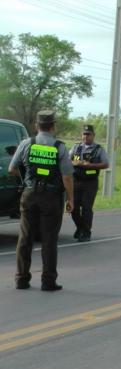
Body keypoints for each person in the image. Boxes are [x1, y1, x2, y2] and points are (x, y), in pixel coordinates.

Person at [8, 110, 74, 291]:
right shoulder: (59, 147)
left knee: (25, 238)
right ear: (53, 126)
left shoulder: (26, 143)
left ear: (37, 126)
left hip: (29, 195)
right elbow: (67, 177)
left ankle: (21, 280)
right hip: (51, 198)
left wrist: (27, 179)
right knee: (49, 240)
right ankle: (48, 282)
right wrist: (71, 199)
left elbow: (11, 168)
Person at [69, 125, 109, 242]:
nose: (86, 136)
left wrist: (89, 165)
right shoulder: (76, 147)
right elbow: (67, 160)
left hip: (90, 183)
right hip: (76, 181)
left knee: (86, 209)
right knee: (73, 208)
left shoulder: (99, 149)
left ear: (93, 135)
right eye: (84, 134)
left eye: (88, 134)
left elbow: (106, 164)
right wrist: (75, 163)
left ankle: (86, 232)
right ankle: (80, 227)